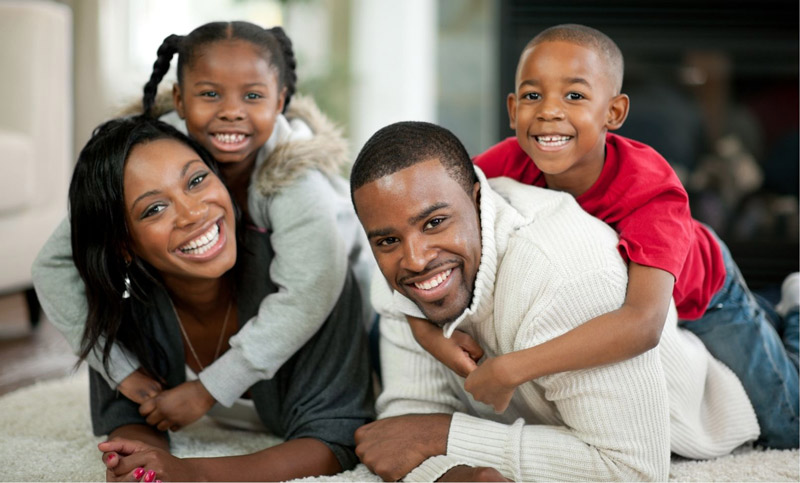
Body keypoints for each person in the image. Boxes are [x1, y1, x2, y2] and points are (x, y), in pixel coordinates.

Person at [410, 24, 799, 449]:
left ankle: (791, 306)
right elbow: (416, 225)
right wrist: (430, 336)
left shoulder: (652, 190)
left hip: (706, 295)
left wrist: (511, 370)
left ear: (613, 112)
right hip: (647, 293)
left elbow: (642, 324)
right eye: (532, 95)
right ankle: (772, 317)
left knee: (786, 425)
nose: (548, 111)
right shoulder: (502, 164)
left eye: (574, 96)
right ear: (511, 107)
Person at [350, 121, 758, 482]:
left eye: (435, 223)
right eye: (387, 240)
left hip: (702, 396)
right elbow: (402, 430)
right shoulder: (399, 276)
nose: (415, 258)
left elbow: (633, 468)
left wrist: (443, 435)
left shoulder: (565, 274)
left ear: (477, 199)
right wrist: (455, 475)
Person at [32, 21, 375, 431]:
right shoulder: (151, 156)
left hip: (346, 300)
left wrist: (211, 388)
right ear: (178, 98)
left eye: (253, 95)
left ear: (280, 100)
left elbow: (311, 293)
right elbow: (54, 264)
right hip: (255, 291)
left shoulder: (295, 179)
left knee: (375, 395)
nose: (231, 111)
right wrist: (119, 368)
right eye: (210, 94)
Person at [68, 115, 373, 482]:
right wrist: (141, 462)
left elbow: (337, 437)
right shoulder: (122, 303)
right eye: (154, 209)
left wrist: (194, 473)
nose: (193, 213)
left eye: (196, 180)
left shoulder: (306, 278)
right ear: (124, 246)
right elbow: (129, 418)